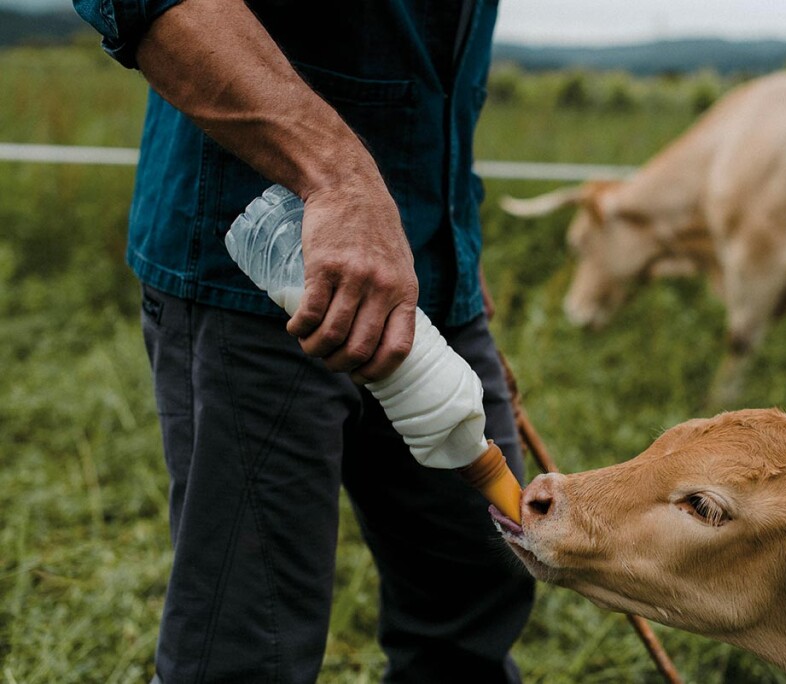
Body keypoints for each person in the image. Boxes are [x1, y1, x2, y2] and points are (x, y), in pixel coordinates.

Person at [72, 0, 536, 681]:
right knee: (248, 638)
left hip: (431, 271)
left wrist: (453, 237)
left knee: (474, 591)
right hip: (263, 270)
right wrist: (337, 180)